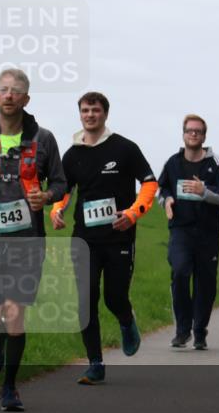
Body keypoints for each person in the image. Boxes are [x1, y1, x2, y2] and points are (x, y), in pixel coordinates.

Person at [0, 68, 67, 410]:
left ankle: (10, 388)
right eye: (3, 90)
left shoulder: (44, 139)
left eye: (16, 90)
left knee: (15, 312)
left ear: (26, 98)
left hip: (28, 240)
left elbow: (61, 183)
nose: (9, 95)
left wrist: (47, 197)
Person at [50, 92, 157, 384]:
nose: (90, 115)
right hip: (84, 238)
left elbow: (149, 183)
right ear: (80, 114)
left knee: (114, 297)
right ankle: (95, 363)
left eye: (95, 110)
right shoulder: (72, 154)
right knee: (86, 300)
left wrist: (134, 213)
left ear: (105, 114)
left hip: (119, 236)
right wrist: (57, 210)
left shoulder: (125, 148)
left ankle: (125, 319)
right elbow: (63, 189)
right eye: (85, 110)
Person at [158, 114, 219, 350]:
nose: (193, 134)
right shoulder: (172, 162)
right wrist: (168, 201)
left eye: (198, 131)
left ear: (204, 136)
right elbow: (161, 189)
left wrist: (205, 191)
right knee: (180, 272)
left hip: (208, 232)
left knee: (205, 283)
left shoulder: (216, 162)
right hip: (181, 230)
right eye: (190, 130)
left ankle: (199, 330)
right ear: (183, 134)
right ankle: (182, 330)